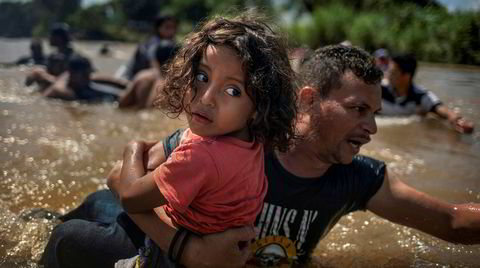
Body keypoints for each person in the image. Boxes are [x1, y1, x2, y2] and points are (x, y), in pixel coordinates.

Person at [39, 45, 480, 267]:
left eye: (375, 113)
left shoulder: (358, 179)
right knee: (74, 225)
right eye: (358, 110)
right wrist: (187, 248)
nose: (372, 129)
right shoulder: (236, 141)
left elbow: (452, 222)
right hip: (132, 227)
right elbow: (121, 178)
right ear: (307, 100)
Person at [109, 12, 296, 267]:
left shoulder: (202, 154)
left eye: (233, 90)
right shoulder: (252, 143)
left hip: (167, 255)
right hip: (210, 241)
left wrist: (132, 148)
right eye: (202, 76)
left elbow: (129, 195)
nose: (206, 98)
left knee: (69, 235)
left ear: (258, 107)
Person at [379, 53, 474, 134]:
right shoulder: (379, 88)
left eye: (393, 72)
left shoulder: (420, 96)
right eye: (388, 71)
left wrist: (456, 119)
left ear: (406, 76)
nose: (387, 75)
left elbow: (441, 109)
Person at [118, 40, 177, 109]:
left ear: (155, 59)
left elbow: (122, 103)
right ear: (176, 60)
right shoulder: (174, 84)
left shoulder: (142, 76)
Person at [118, 14, 178, 80]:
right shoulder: (152, 44)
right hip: (134, 79)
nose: (171, 31)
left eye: (173, 27)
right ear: (158, 28)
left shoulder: (174, 45)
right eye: (167, 27)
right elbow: (154, 64)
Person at [43, 55, 123, 102]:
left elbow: (99, 78)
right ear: (72, 73)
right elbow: (72, 98)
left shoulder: (75, 78)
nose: (88, 78)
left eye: (88, 74)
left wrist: (125, 84)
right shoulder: (61, 91)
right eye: (85, 75)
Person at [25, 23, 76, 90]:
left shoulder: (70, 57)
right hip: (57, 85)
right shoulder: (54, 56)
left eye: (51, 35)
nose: (49, 37)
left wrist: (39, 74)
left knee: (37, 72)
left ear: (58, 38)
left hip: (63, 87)